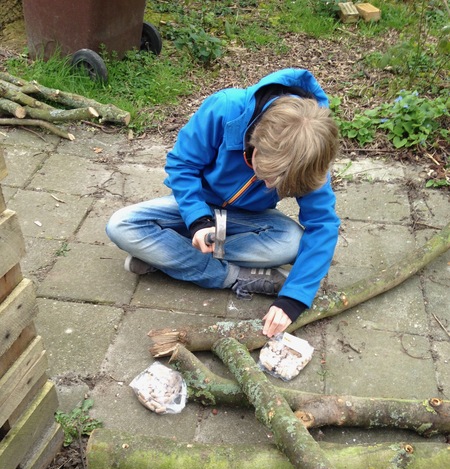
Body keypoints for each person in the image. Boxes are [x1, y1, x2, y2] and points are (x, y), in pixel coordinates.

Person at [106, 68, 340, 338]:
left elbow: (323, 225)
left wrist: (294, 298)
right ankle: (236, 276)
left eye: (278, 186)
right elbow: (182, 165)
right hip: (194, 207)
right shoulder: (225, 108)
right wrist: (197, 219)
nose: (267, 188)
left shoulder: (311, 154)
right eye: (264, 175)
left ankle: (164, 257)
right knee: (120, 224)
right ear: (255, 143)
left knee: (293, 242)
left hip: (246, 221)